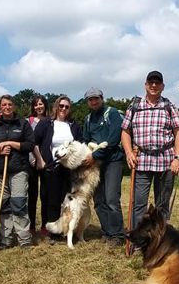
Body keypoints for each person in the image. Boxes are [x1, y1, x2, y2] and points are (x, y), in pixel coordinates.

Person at [121, 71, 179, 229]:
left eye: (157, 83)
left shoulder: (169, 106)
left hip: (166, 161)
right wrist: (129, 152)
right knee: (139, 204)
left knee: (162, 204)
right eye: (151, 82)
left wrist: (178, 158)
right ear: (146, 85)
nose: (154, 85)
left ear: (162, 86)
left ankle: (159, 238)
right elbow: (125, 132)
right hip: (142, 161)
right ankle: (138, 238)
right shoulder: (135, 106)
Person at [0, 95, 35, 249]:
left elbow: (30, 145)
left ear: (14, 106)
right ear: (0, 107)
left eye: (10, 104)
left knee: (18, 204)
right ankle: (6, 239)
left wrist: (10, 143)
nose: (7, 107)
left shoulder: (23, 124)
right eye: (4, 104)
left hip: (19, 170)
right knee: (3, 205)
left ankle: (24, 240)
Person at [34, 95, 82, 244]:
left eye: (67, 107)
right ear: (56, 107)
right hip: (51, 167)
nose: (63, 109)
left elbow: (80, 145)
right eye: (61, 106)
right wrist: (40, 160)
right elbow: (34, 143)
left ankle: (65, 230)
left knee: (67, 200)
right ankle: (51, 231)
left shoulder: (74, 125)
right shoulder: (46, 123)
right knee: (51, 200)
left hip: (69, 169)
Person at [81, 87, 126, 246]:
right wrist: (88, 155)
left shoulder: (112, 113)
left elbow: (113, 140)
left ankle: (118, 235)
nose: (93, 102)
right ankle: (107, 232)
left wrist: (94, 156)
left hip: (112, 160)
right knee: (99, 200)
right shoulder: (88, 119)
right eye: (90, 99)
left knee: (112, 198)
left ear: (102, 98)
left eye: (96, 98)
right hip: (95, 164)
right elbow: (85, 139)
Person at [26, 95, 48, 234]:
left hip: (46, 163)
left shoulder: (51, 121)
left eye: (41, 104)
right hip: (31, 162)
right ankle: (31, 225)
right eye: (36, 105)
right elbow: (27, 141)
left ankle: (45, 225)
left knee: (45, 195)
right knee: (31, 195)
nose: (39, 107)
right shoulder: (28, 122)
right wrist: (32, 159)